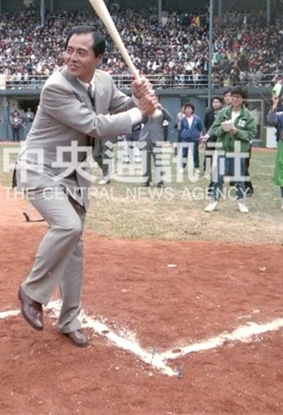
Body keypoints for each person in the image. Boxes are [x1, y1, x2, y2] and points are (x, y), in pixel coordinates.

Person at [15, 25, 158, 348]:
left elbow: (123, 107)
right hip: (40, 169)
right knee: (67, 226)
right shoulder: (56, 87)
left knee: (74, 248)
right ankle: (31, 292)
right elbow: (95, 125)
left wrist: (139, 97)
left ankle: (69, 321)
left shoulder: (104, 80)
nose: (71, 57)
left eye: (81, 52)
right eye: (69, 50)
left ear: (99, 57)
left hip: (75, 173)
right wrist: (141, 112)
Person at [204, 86, 257, 213]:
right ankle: (214, 201)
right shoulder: (224, 113)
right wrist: (223, 129)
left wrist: (237, 132)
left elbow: (251, 134)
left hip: (239, 151)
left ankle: (241, 202)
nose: (235, 99)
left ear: (243, 99)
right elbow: (215, 129)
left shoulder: (248, 115)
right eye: (233, 96)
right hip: (223, 150)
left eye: (238, 97)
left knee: (239, 179)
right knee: (218, 178)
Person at [140, 97, 173, 187]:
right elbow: (142, 121)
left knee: (158, 161)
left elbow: (170, 118)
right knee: (146, 161)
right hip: (146, 138)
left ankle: (160, 181)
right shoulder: (147, 110)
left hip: (157, 138)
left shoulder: (162, 111)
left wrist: (162, 108)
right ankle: (146, 180)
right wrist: (144, 112)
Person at [177, 103, 203, 174]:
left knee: (195, 154)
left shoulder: (197, 118)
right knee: (184, 153)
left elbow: (200, 129)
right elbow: (181, 129)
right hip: (185, 139)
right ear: (184, 110)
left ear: (192, 110)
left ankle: (196, 167)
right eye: (186, 109)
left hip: (195, 139)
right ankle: (182, 167)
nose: (188, 110)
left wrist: (201, 140)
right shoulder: (183, 119)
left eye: (189, 108)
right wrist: (184, 134)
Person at [202, 96, 224, 176]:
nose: (215, 104)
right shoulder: (208, 114)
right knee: (208, 153)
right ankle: (206, 170)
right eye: (214, 102)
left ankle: (220, 171)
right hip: (210, 136)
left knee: (221, 154)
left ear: (221, 103)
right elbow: (206, 124)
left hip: (221, 136)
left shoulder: (224, 113)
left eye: (217, 102)